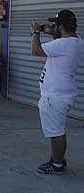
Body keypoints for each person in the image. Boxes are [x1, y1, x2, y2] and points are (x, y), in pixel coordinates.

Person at [31, 10, 84, 174]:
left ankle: (57, 164)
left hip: (55, 96)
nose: (53, 26)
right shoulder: (77, 42)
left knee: (56, 133)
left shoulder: (62, 44)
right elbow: (58, 47)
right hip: (62, 93)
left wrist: (36, 32)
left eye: (56, 24)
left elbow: (35, 50)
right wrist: (53, 33)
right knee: (58, 130)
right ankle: (58, 158)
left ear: (61, 26)